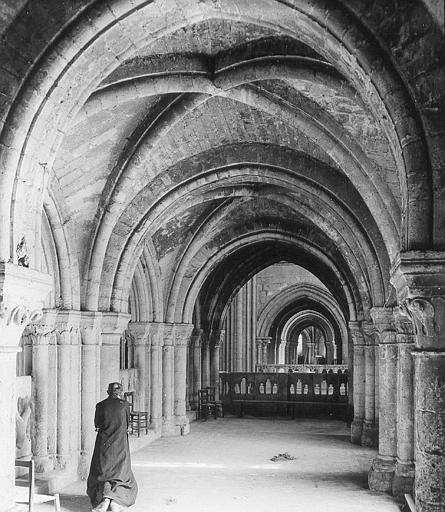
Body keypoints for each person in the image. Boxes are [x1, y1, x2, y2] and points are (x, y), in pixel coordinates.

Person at [87, 382, 138, 512]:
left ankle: (104, 500)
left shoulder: (100, 405)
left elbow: (97, 425)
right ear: (120, 392)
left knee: (103, 470)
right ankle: (115, 501)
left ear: (108, 392)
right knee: (121, 471)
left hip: (104, 443)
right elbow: (126, 424)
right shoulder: (125, 405)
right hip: (120, 443)